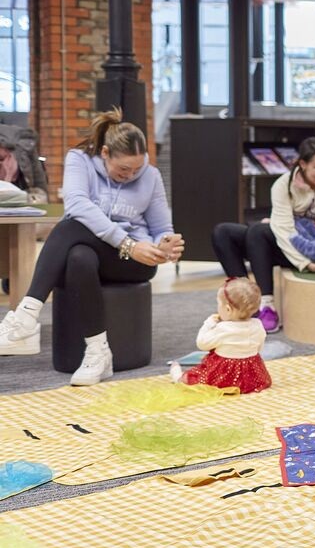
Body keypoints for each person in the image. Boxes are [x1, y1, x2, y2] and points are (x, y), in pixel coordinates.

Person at [0, 109, 183, 385]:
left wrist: (164, 244)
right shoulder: (79, 160)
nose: (131, 175)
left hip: (134, 264)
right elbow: (76, 204)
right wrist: (127, 242)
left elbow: (161, 228)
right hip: (107, 252)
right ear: (105, 153)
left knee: (71, 227)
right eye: (124, 169)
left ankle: (26, 315)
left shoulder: (152, 175)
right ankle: (98, 352)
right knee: (78, 253)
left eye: (138, 168)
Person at [211, 137, 315, 332]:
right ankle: (243, 302)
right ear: (302, 164)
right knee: (223, 232)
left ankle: (267, 305)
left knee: (259, 231)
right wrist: (305, 264)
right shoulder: (282, 185)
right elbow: (284, 231)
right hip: (288, 246)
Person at [171, 277, 271, 394]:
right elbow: (259, 346)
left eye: (218, 304)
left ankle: (178, 378)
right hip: (251, 372)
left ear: (228, 309)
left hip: (224, 373)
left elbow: (202, 343)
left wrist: (209, 323)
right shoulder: (258, 325)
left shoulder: (223, 328)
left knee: (197, 379)